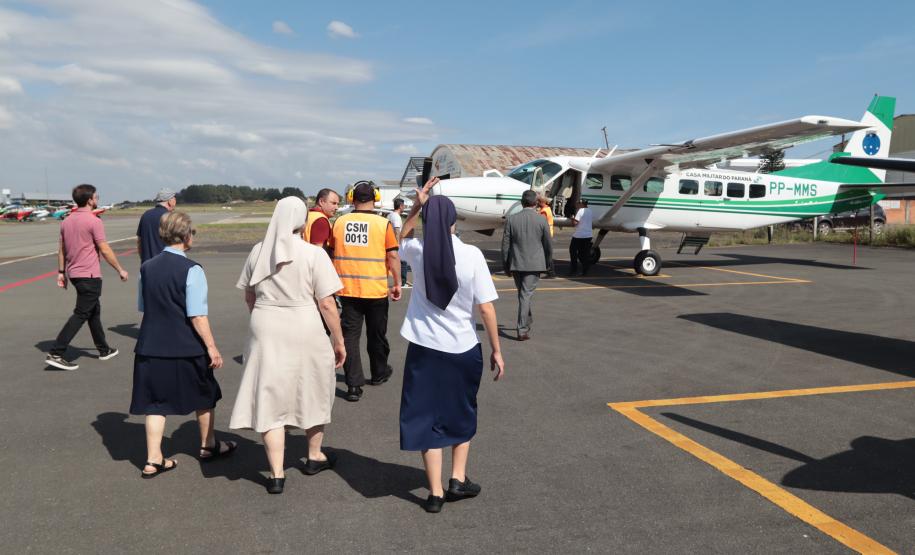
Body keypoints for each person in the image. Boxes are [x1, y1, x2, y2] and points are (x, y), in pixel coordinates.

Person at [397, 177, 505, 514]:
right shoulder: (472, 255)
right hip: (462, 347)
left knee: (426, 415)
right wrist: (497, 349)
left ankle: (435, 492)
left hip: (425, 349)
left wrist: (416, 207)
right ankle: (457, 478)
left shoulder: (418, 251)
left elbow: (401, 237)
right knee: (462, 409)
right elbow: (485, 308)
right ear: (454, 221)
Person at [230, 197, 346, 494]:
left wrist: (262, 319)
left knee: (269, 393)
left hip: (266, 324)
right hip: (304, 324)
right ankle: (314, 455)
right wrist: (338, 339)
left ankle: (276, 473)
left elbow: (249, 296)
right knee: (312, 386)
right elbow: (326, 303)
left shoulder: (258, 251)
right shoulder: (313, 254)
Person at [130, 211, 236, 478]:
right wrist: (211, 346)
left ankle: (153, 459)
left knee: (155, 403)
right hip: (186, 345)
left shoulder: (146, 268)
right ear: (187, 235)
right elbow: (197, 315)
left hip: (151, 344)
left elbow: (144, 306)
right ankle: (208, 444)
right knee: (205, 395)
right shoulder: (192, 269)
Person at [329, 181, 401, 402]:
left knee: (350, 337)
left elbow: (331, 253)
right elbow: (392, 255)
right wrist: (397, 282)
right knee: (376, 334)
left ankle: (353, 386)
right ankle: (379, 373)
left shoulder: (339, 222)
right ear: (375, 198)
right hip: (375, 289)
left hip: (347, 289)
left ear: (351, 198)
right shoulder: (383, 224)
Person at [46, 184, 129, 371]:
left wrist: (61, 272)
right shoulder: (94, 221)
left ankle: (104, 349)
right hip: (89, 276)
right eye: (96, 196)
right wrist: (120, 269)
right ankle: (56, 353)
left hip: (75, 275)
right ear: (90, 200)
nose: (97, 199)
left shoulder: (66, 221)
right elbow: (104, 249)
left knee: (93, 311)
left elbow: (61, 249)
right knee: (81, 313)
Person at [501, 189, 552, 341]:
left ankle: (526, 321)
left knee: (523, 294)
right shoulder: (541, 220)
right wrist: (549, 263)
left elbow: (505, 245)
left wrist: (505, 264)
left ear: (522, 203)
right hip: (534, 264)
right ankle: (522, 330)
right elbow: (548, 244)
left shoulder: (511, 220)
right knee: (525, 295)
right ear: (535, 203)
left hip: (516, 263)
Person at [137, 188, 177, 263]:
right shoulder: (170, 217)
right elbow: (176, 245)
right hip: (165, 264)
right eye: (174, 199)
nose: (175, 202)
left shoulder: (145, 215)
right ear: (170, 201)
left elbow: (139, 242)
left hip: (147, 264)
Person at [389, 198, 411, 287]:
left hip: (391, 242)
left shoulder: (390, 215)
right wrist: (398, 244)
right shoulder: (396, 217)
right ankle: (403, 282)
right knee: (403, 262)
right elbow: (397, 230)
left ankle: (402, 281)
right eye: (404, 205)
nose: (404, 207)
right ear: (401, 206)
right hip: (396, 243)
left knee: (397, 263)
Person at [569, 198, 594, 276]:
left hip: (579, 235)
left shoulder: (580, 211)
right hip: (588, 235)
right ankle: (585, 270)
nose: (577, 205)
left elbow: (575, 223)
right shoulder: (590, 211)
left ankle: (574, 269)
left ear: (581, 204)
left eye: (578, 203)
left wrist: (572, 218)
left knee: (573, 251)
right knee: (584, 254)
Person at [537, 195, 556, 278]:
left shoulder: (544, 211)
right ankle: (547, 270)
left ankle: (551, 272)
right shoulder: (547, 208)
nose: (536, 203)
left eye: (538, 201)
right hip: (549, 233)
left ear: (541, 202)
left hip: (545, 234)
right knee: (547, 253)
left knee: (547, 253)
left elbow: (541, 223)